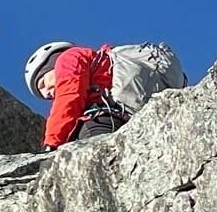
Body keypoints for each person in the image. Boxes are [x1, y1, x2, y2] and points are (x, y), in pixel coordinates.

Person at [24, 40, 187, 149]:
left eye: (43, 84)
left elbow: (69, 97)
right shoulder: (101, 65)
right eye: (42, 92)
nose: (46, 94)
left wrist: (51, 144)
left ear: (51, 64)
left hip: (100, 121)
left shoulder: (68, 58)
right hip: (129, 121)